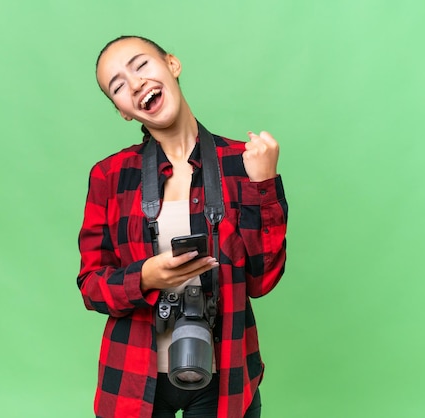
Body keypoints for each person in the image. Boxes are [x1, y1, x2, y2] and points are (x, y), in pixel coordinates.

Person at [77, 35, 288, 418]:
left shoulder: (245, 162)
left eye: (140, 65)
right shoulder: (109, 176)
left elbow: (262, 281)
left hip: (225, 378)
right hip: (134, 378)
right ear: (123, 111)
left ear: (172, 64)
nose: (136, 83)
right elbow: (91, 286)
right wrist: (145, 277)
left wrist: (264, 186)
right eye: (118, 86)